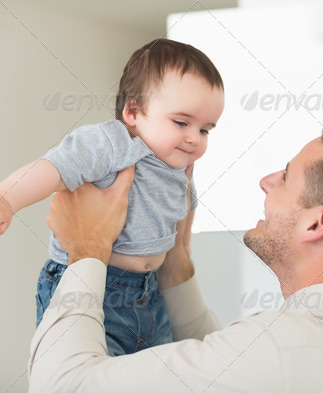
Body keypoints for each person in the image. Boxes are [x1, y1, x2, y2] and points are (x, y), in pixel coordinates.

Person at [29, 115, 323, 392]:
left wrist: (88, 249)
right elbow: (225, 368)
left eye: (286, 176)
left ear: (316, 223)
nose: (266, 181)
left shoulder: (279, 351)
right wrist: (175, 263)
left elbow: (63, 386)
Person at [0, 39, 225, 355]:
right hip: (95, 286)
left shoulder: (181, 168)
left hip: (149, 293)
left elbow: (181, 216)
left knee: (155, 372)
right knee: (87, 370)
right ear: (133, 110)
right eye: (181, 122)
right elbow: (55, 167)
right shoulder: (113, 142)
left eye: (205, 130)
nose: (193, 139)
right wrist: (8, 199)